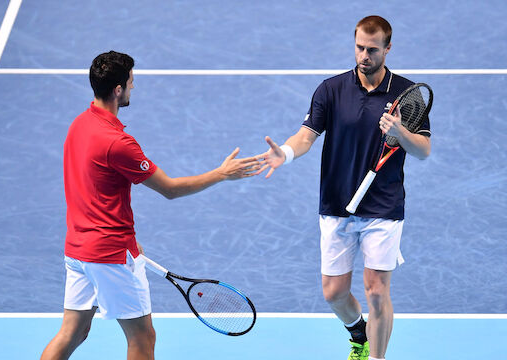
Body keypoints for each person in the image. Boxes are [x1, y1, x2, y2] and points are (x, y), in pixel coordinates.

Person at [40, 51, 261, 360]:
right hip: (110, 255)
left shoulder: (79, 124)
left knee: (73, 332)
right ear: (118, 90)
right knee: (142, 339)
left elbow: (89, 187)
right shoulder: (118, 144)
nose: (133, 87)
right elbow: (170, 189)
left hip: (77, 250)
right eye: (131, 82)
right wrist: (221, 174)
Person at [255, 16, 431, 360]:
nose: (364, 55)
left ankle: (376, 357)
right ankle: (358, 333)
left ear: (388, 49)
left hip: (383, 204)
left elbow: (423, 149)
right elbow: (306, 136)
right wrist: (286, 153)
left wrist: (400, 133)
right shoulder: (331, 89)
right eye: (359, 47)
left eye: (372, 49)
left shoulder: (406, 95)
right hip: (337, 202)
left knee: (376, 291)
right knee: (334, 293)